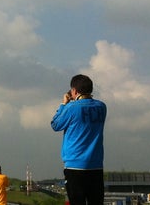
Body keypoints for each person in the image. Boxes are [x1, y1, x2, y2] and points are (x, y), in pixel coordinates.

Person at [51, 74, 107, 205]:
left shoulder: (72, 108)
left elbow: (55, 125)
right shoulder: (102, 107)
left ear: (74, 91)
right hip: (96, 165)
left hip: (75, 166)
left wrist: (64, 104)